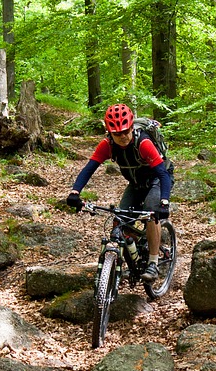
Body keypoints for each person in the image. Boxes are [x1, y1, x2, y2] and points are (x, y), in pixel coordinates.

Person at [65, 103, 173, 280]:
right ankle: (130, 258)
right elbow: (89, 169)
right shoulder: (107, 146)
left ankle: (153, 263)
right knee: (121, 220)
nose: (123, 136)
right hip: (136, 183)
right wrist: (75, 192)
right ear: (110, 133)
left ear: (131, 127)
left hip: (157, 179)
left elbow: (162, 173)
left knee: (150, 211)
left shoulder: (143, 143)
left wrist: (164, 202)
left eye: (126, 131)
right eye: (117, 134)